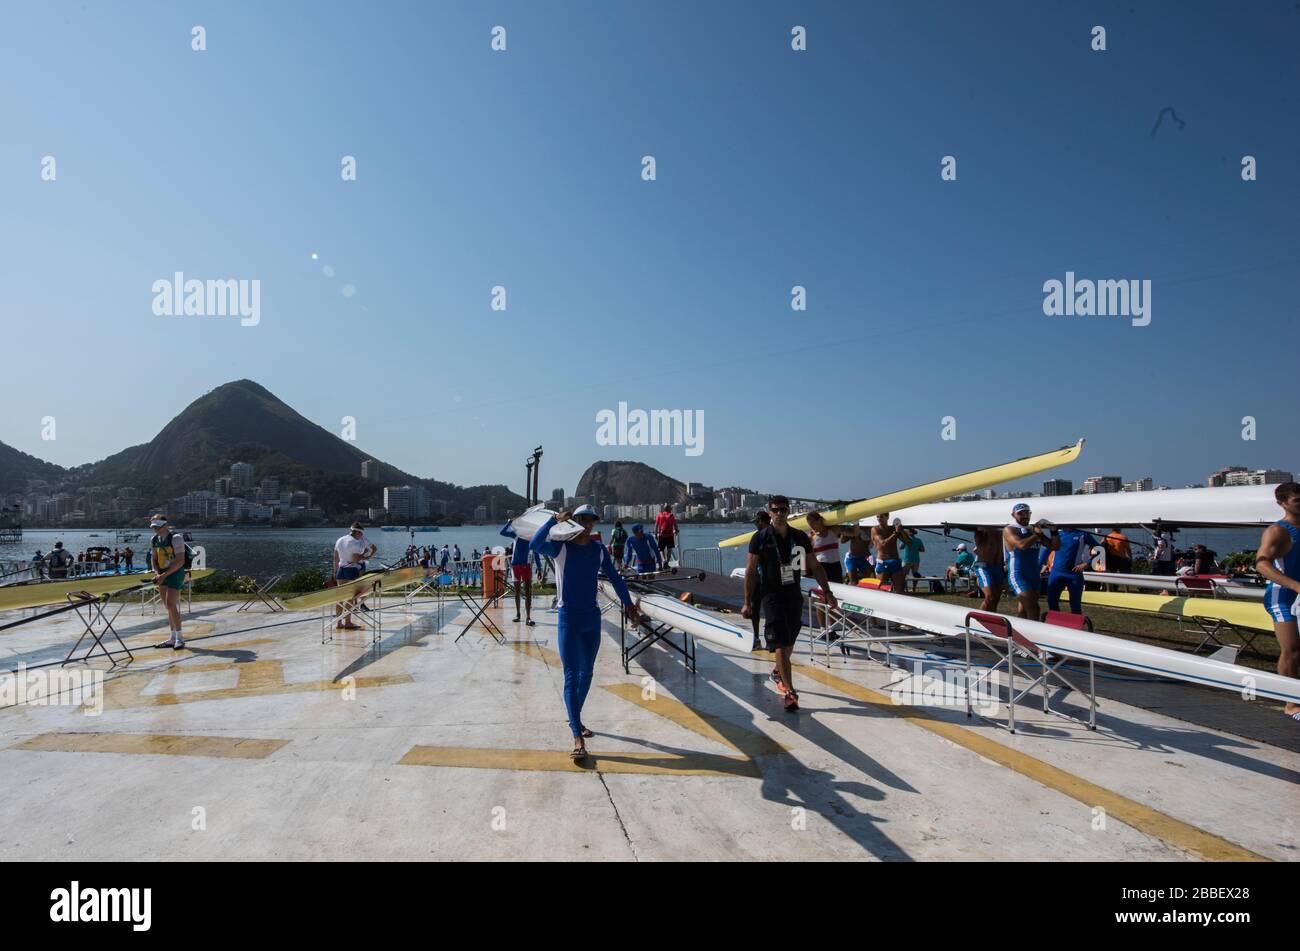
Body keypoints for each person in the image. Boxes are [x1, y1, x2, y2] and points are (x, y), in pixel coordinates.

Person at [531, 504, 640, 760]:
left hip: (592, 617)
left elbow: (616, 579)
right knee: (571, 675)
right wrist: (553, 521)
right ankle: (577, 737)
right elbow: (536, 544)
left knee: (587, 672)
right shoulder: (561, 549)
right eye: (583, 519)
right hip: (568, 618)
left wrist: (628, 605)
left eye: (592, 520)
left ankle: (574, 719)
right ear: (575, 521)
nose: (588, 524)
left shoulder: (599, 550)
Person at [742, 496, 838, 712]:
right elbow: (750, 571)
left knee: (791, 636)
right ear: (769, 512)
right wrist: (747, 602)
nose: (779, 513)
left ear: (788, 511)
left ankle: (778, 671)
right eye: (775, 510)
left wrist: (828, 592)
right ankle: (790, 691)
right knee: (780, 640)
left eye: (783, 510)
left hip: (793, 593)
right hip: (771, 594)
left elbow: (815, 565)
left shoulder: (799, 537)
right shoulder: (760, 538)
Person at [1256, 482, 1300, 721]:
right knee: (1292, 649)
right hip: (1282, 596)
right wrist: (1295, 586)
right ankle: (1291, 703)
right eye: (1297, 501)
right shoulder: (1278, 531)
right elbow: (1262, 563)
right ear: (1281, 503)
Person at [1004, 503, 1058, 620]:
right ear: (1013, 515)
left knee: (1024, 609)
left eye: (1026, 513)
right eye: (1020, 513)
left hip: (1034, 575)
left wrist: (1054, 532)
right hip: (1018, 574)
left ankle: (1018, 635)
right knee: (1034, 608)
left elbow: (1054, 546)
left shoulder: (1033, 530)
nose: (1024, 516)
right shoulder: (1009, 529)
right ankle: (1033, 638)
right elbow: (1021, 545)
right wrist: (1036, 534)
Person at [148, 515, 189, 649]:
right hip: (162, 574)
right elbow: (154, 559)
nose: (156, 529)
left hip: (175, 572)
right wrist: (157, 573)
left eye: (158, 526)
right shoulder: (154, 540)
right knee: (168, 606)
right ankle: (172, 637)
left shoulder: (176, 538)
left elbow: (181, 560)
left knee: (171, 604)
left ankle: (179, 638)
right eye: (154, 527)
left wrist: (164, 575)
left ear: (166, 525)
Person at [332, 521, 376, 631]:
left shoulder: (340, 540)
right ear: (357, 532)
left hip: (340, 570)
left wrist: (334, 572)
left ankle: (339, 623)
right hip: (351, 570)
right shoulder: (355, 543)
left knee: (340, 598)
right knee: (350, 598)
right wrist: (365, 554)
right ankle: (348, 622)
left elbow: (335, 558)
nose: (362, 536)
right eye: (361, 534)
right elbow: (355, 559)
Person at [1045, 528, 1100, 615]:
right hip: (1056, 573)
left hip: (1074, 575)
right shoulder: (1057, 534)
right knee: (1051, 601)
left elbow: (1100, 550)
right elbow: (1046, 550)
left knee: (1075, 605)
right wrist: (1038, 566)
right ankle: (1056, 624)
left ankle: (1075, 627)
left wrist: (1087, 564)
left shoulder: (1083, 534)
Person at [500, 516, 536, 626]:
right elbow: (502, 532)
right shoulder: (516, 535)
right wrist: (510, 523)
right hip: (515, 566)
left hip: (526, 566)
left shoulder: (530, 537)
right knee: (516, 592)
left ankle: (528, 617)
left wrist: (539, 567)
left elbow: (536, 552)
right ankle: (518, 614)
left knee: (528, 591)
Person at [746, 511, 771, 651]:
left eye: (756, 522)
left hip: (764, 578)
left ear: (761, 521)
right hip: (762, 577)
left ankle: (764, 638)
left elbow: (750, 566)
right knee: (757, 608)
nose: (755, 524)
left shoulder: (759, 537)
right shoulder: (760, 537)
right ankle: (759, 638)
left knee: (764, 609)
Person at [870, 514, 907, 593]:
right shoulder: (875, 529)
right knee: (883, 591)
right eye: (877, 517)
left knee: (900, 591)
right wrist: (895, 533)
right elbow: (882, 543)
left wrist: (902, 531)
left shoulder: (892, 529)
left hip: (895, 561)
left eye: (881, 516)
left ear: (887, 517)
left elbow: (909, 542)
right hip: (882, 562)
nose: (879, 518)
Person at [972, 527, 1004, 611]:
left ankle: (992, 618)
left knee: (996, 598)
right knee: (989, 596)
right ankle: (978, 618)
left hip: (998, 565)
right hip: (984, 565)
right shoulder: (981, 531)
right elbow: (980, 550)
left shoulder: (1002, 529)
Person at [654, 504, 678, 568]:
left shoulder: (659, 515)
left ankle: (663, 561)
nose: (671, 509)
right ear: (669, 509)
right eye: (671, 508)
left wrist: (656, 534)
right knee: (669, 549)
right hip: (670, 535)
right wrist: (676, 531)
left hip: (662, 535)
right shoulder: (671, 516)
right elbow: (675, 525)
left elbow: (656, 525)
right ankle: (667, 562)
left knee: (661, 549)